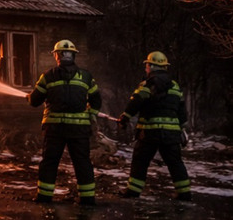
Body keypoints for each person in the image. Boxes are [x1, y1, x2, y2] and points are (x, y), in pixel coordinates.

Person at [27, 39, 102, 205]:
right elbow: (96, 100)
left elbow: (34, 101)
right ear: (73, 55)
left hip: (55, 129)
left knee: (50, 161)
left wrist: (30, 97)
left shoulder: (48, 76)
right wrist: (91, 114)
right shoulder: (86, 76)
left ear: (57, 56)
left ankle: (45, 197)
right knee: (82, 162)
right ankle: (88, 198)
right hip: (79, 130)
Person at [118, 51, 191, 201]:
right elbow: (181, 110)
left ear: (151, 66)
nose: (146, 68)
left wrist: (125, 117)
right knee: (175, 162)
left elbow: (137, 101)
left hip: (150, 133)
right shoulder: (174, 85)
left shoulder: (148, 84)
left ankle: (133, 192)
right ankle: (184, 193)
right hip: (171, 134)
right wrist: (182, 128)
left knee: (140, 161)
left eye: (147, 65)